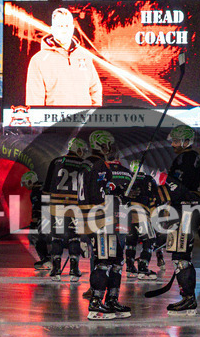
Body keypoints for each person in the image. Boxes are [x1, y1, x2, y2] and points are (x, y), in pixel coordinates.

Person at [76, 130, 132, 320]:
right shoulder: (98, 165)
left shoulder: (89, 164)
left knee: (117, 261)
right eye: (108, 144)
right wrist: (118, 195)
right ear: (102, 145)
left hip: (101, 218)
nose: (111, 148)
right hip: (100, 219)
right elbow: (100, 196)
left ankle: (111, 299)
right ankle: (96, 302)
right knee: (104, 262)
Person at [158, 125, 200, 316]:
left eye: (176, 141)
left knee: (180, 257)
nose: (172, 144)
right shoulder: (193, 158)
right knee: (182, 255)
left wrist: (161, 179)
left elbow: (176, 187)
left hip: (185, 208)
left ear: (186, 141)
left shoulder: (185, 158)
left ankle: (188, 299)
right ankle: (188, 297)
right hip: (191, 208)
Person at [25, 7, 102, 107]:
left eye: (66, 26)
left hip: (84, 120)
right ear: (52, 29)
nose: (64, 30)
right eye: (60, 26)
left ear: (72, 28)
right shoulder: (38, 60)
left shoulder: (85, 56)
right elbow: (34, 100)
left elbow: (95, 88)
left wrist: (94, 115)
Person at [44, 137, 90, 282]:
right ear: (78, 149)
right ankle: (73, 270)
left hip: (56, 205)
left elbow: (46, 189)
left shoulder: (56, 161)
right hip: (74, 207)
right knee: (74, 238)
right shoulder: (83, 164)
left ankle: (56, 270)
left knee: (56, 237)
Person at [124, 160, 159, 280]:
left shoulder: (126, 178)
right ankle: (143, 268)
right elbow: (155, 200)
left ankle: (129, 267)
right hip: (141, 213)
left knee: (130, 241)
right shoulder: (149, 180)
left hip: (125, 214)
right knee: (150, 240)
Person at [21, 170, 50, 271]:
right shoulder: (45, 186)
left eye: (25, 183)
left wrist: (33, 223)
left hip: (46, 218)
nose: (25, 186)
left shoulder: (35, 192)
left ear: (30, 181)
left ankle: (46, 259)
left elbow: (37, 209)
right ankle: (51, 259)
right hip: (55, 216)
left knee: (34, 236)